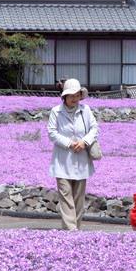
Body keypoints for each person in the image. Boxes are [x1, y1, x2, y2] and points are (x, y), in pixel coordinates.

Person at [48, 78, 98, 231]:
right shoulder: (56, 112)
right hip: (63, 160)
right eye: (71, 96)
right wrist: (69, 143)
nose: (75, 99)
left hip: (81, 159)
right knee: (66, 194)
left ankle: (75, 227)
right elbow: (51, 133)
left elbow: (94, 128)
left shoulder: (86, 110)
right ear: (64, 97)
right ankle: (71, 230)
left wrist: (84, 142)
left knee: (78, 198)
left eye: (77, 95)